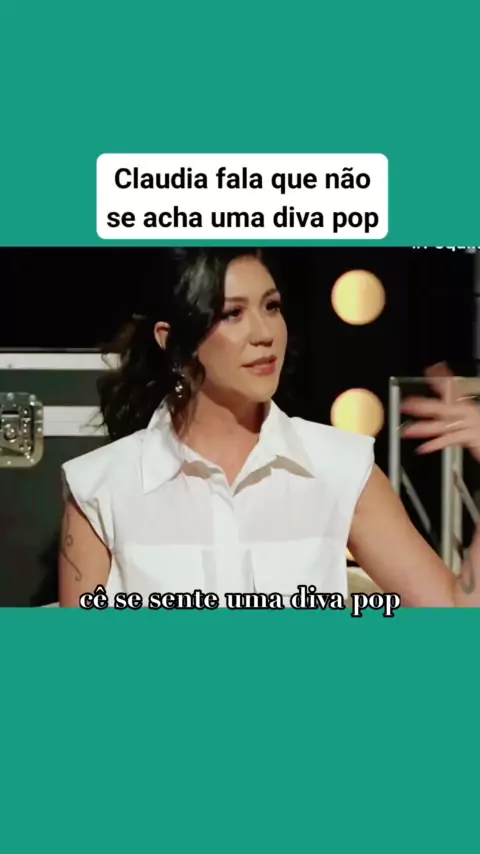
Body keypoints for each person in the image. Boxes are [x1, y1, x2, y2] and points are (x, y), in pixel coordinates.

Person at [59, 248, 480, 608]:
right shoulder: (101, 486)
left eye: (272, 306)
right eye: (233, 313)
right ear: (172, 341)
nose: (265, 333)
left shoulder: (341, 468)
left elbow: (455, 615)